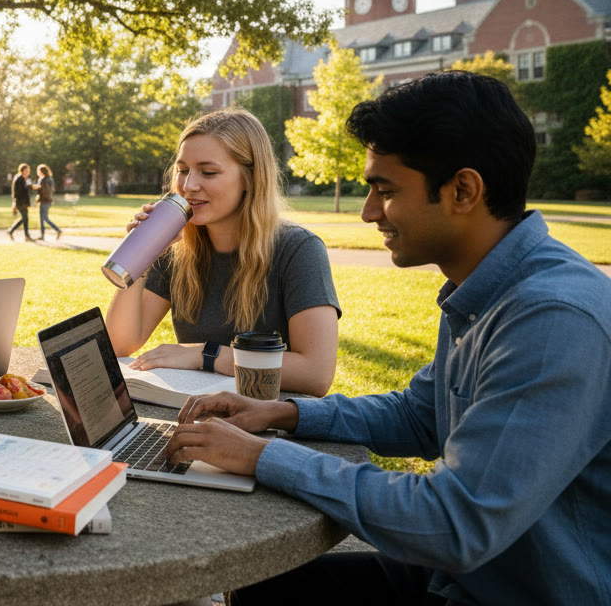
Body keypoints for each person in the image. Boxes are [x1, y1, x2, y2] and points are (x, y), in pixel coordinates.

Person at [161, 72, 611, 605]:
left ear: (463, 190)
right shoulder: (486, 287)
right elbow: (420, 415)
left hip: (519, 592)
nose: (369, 211)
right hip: (467, 578)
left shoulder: (550, 317)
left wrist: (264, 458)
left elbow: (453, 522)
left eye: (385, 189)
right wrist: (282, 414)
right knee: (253, 587)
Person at [104, 108, 339, 397]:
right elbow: (119, 344)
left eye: (209, 172)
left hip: (266, 425)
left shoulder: (298, 249)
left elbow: (315, 374)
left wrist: (206, 355)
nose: (189, 186)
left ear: (250, 178)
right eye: (183, 170)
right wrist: (141, 252)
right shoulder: (177, 248)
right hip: (197, 413)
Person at [6, 163, 33, 242]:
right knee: (25, 218)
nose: (29, 171)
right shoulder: (20, 179)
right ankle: (26, 236)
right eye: (28, 170)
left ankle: (11, 231)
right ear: (24, 170)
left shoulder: (21, 178)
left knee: (24, 218)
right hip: (21, 202)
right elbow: (21, 191)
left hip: (21, 202)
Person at [35, 164, 61, 241]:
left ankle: (57, 230)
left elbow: (44, 190)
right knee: (42, 218)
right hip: (48, 200)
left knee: (44, 218)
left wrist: (38, 188)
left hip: (44, 200)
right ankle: (42, 235)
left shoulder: (43, 179)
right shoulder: (50, 179)